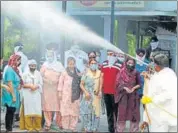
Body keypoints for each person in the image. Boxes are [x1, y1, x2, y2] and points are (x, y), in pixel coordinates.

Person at [141, 53, 177, 132]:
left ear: (157, 65)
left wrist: (151, 99)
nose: (152, 65)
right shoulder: (165, 74)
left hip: (161, 119)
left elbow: (168, 94)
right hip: (160, 117)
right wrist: (148, 78)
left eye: (153, 63)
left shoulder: (167, 76)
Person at [40, 49, 65, 131]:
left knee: (58, 107)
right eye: (48, 56)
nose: (49, 57)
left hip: (57, 89)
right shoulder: (44, 65)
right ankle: (48, 123)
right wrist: (47, 81)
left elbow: (63, 75)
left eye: (51, 56)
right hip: (47, 89)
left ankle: (60, 123)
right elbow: (40, 76)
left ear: (54, 56)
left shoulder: (59, 65)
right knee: (47, 107)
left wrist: (57, 81)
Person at [115, 57, 141, 132]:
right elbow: (117, 84)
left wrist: (133, 88)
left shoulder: (136, 72)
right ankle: (120, 130)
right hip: (123, 97)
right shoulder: (121, 72)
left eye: (132, 63)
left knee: (134, 115)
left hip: (133, 98)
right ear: (126, 62)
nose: (130, 64)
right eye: (129, 63)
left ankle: (133, 130)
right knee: (122, 115)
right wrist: (125, 88)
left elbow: (139, 84)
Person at [58, 57, 81, 132]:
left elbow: (81, 83)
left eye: (73, 64)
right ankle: (65, 127)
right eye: (70, 64)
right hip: (66, 95)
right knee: (65, 111)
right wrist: (60, 93)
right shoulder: (64, 72)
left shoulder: (77, 72)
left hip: (75, 95)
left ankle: (73, 127)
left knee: (74, 111)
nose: (72, 65)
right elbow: (60, 83)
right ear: (67, 64)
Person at [19, 60, 43, 132]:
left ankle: (37, 127)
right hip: (27, 95)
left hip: (36, 95)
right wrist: (29, 86)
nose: (33, 67)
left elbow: (41, 83)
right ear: (29, 66)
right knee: (28, 110)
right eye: (31, 65)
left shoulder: (38, 74)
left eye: (34, 66)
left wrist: (36, 86)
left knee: (37, 110)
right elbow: (21, 84)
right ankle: (29, 128)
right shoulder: (25, 74)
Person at [80, 59, 103, 132]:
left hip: (96, 96)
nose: (93, 64)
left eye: (95, 63)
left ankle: (94, 128)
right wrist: (86, 92)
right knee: (86, 112)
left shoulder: (100, 73)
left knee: (96, 112)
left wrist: (100, 92)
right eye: (92, 63)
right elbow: (81, 84)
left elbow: (101, 84)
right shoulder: (86, 72)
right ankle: (87, 128)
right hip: (87, 96)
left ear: (97, 64)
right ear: (89, 64)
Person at [101, 50, 121, 133]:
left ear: (115, 55)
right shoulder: (104, 63)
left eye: (112, 54)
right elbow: (101, 76)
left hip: (115, 92)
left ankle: (117, 127)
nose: (110, 56)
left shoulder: (119, 64)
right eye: (109, 54)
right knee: (109, 111)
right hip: (105, 91)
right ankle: (111, 128)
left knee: (116, 111)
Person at [2, 54, 23, 132]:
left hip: (14, 91)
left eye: (19, 60)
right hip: (10, 92)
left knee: (12, 110)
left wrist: (19, 85)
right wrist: (13, 95)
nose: (19, 62)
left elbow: (17, 80)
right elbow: (10, 83)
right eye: (18, 60)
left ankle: (9, 128)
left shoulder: (15, 69)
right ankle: (8, 129)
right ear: (13, 60)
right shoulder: (10, 70)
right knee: (10, 110)